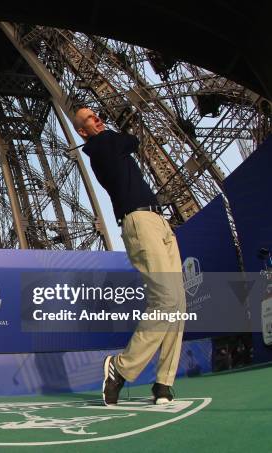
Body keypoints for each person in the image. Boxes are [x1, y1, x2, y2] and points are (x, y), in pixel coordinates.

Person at [74, 107, 186, 405]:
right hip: (139, 221)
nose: (97, 118)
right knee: (166, 301)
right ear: (82, 132)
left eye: (97, 115)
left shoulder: (109, 142)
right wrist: (112, 128)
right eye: (89, 119)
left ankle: (163, 383)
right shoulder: (99, 146)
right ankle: (121, 368)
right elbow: (131, 141)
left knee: (178, 304)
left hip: (159, 221)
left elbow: (130, 142)